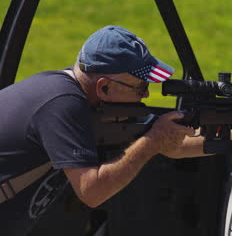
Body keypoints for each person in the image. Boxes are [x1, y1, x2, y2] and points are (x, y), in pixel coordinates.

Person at [0, 25, 207, 235]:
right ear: (104, 87)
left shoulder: (78, 99)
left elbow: (175, 146)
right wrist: (152, 141)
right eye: (140, 87)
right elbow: (92, 191)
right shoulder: (62, 104)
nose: (145, 95)